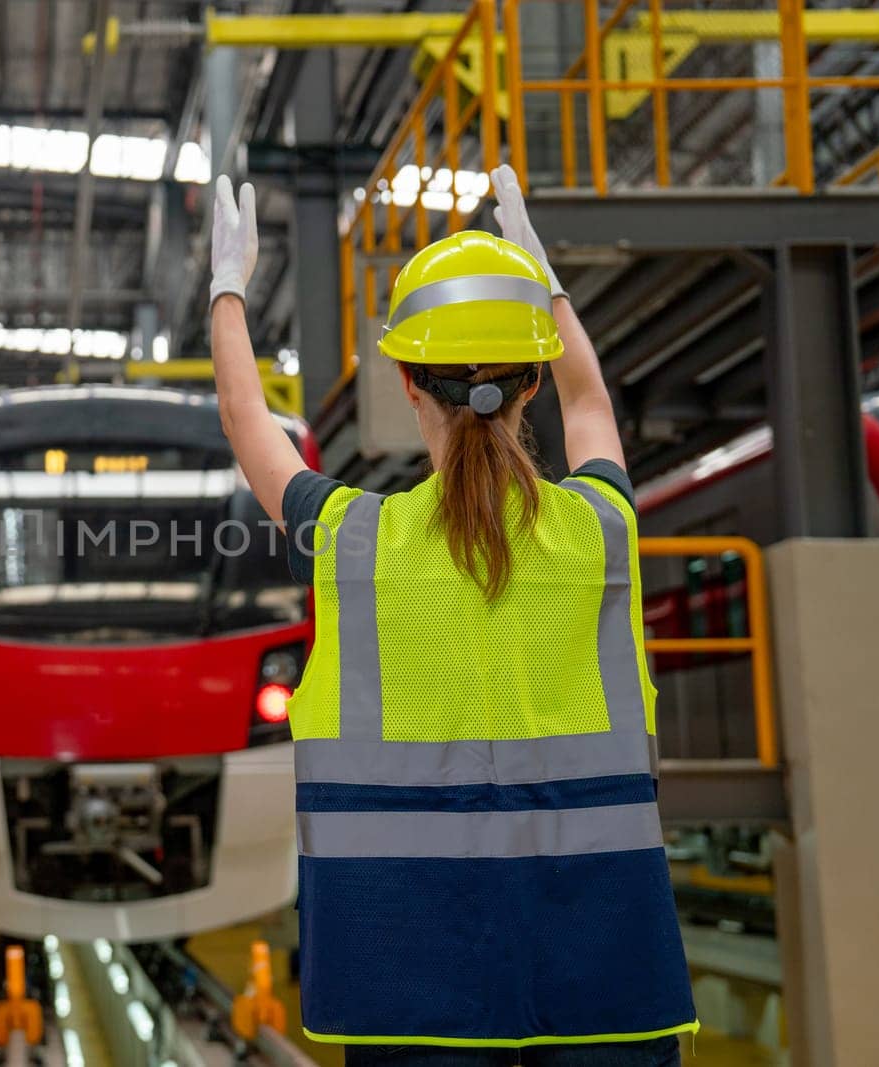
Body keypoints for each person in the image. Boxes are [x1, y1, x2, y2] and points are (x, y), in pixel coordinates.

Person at [205, 166, 697, 1065]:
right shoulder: (599, 533)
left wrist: (228, 291)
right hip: (608, 969)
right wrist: (549, 295)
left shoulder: (355, 541)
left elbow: (248, 422)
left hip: (405, 979)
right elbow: (594, 404)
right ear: (532, 382)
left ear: (405, 382)